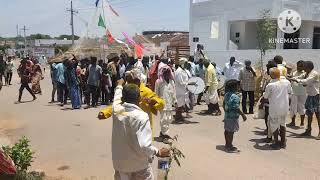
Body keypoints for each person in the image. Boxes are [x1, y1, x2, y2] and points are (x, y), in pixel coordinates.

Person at [112, 81, 170, 180]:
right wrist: (158, 152)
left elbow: (116, 98)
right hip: (139, 166)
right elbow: (144, 145)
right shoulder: (142, 117)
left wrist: (119, 86)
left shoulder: (116, 110)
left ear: (123, 98)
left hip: (120, 165)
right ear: (139, 98)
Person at [98, 68, 165, 139]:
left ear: (137, 81)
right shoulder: (127, 90)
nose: (129, 83)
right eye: (128, 80)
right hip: (130, 126)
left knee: (145, 147)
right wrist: (105, 113)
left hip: (144, 128)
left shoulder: (146, 91)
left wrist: (152, 101)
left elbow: (162, 104)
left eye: (131, 80)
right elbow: (119, 104)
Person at [263, 68, 292, 149]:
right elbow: (290, 92)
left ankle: (276, 142)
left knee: (274, 125)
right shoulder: (286, 82)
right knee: (283, 124)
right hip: (285, 107)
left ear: (271, 75)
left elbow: (265, 96)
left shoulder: (270, 85)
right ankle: (283, 142)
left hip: (275, 108)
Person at [291, 61, 320, 139]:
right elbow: (299, 77)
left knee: (317, 115)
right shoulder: (306, 73)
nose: (303, 68)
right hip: (310, 95)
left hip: (316, 96)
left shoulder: (314, 74)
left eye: (305, 67)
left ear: (309, 67)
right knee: (309, 114)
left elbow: (306, 81)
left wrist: (295, 80)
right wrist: (292, 78)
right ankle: (308, 130)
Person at [223, 79, 247, 152]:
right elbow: (236, 108)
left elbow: (224, 104)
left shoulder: (226, 94)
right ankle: (230, 146)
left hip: (227, 116)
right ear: (234, 87)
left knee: (226, 130)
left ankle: (227, 144)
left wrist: (226, 112)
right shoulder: (235, 97)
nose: (239, 87)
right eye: (237, 85)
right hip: (233, 117)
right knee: (231, 132)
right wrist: (243, 115)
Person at [155, 65, 176, 143]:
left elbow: (173, 92)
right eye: (165, 72)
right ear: (162, 73)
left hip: (170, 104)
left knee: (169, 119)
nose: (166, 74)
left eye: (168, 72)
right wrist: (156, 103)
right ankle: (165, 136)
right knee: (164, 119)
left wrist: (175, 101)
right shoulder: (158, 82)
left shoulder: (172, 82)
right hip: (162, 104)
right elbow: (156, 93)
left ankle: (162, 133)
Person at [287, 61, 307, 127]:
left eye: (301, 66)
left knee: (302, 108)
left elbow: (305, 83)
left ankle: (302, 123)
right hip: (294, 92)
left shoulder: (305, 74)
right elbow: (291, 80)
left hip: (303, 93)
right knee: (293, 108)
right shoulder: (294, 72)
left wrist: (291, 79)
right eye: (298, 66)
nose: (299, 67)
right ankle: (293, 122)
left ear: (303, 66)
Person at [174, 58, 192, 122]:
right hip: (180, 90)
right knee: (179, 104)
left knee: (181, 104)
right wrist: (189, 84)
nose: (187, 65)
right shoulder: (179, 71)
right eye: (186, 63)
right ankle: (178, 117)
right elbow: (181, 82)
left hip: (183, 90)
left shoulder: (183, 70)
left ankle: (179, 116)